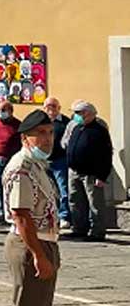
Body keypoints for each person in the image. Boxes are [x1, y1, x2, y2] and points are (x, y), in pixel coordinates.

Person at [2, 109, 66, 306]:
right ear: (25, 138)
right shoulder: (21, 167)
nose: (47, 138)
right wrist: (39, 255)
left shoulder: (38, 165)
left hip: (45, 240)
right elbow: (22, 215)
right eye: (40, 133)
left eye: (50, 132)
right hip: (29, 244)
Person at [65, 100, 113, 242]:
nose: (76, 116)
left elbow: (106, 154)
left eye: (78, 113)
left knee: (95, 203)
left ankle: (98, 232)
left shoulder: (99, 130)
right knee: (75, 201)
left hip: (91, 173)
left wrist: (102, 176)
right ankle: (79, 229)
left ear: (88, 113)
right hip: (74, 171)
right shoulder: (77, 127)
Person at [0, 98, 22, 226]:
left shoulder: (18, 125)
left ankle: (11, 211)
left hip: (11, 160)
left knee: (11, 186)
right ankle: (1, 211)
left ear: (11, 111)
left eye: (3, 110)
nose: (0, 112)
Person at [42, 98, 71, 228]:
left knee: (63, 190)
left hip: (60, 160)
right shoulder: (42, 122)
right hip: (44, 160)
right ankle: (51, 216)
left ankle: (64, 216)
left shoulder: (65, 122)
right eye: (47, 106)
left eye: (53, 106)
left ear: (59, 107)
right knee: (47, 190)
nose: (50, 108)